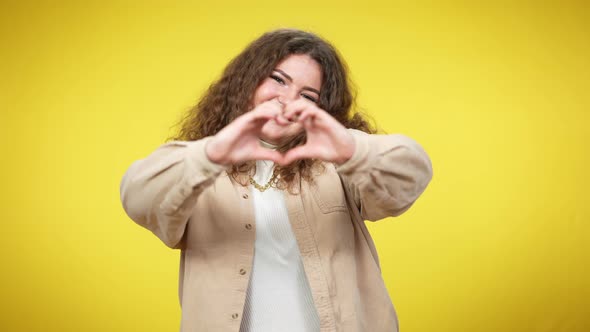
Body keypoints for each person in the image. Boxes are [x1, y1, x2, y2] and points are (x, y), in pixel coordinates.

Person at [120, 28, 433, 332]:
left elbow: (412, 173)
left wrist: (350, 148)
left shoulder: (337, 164)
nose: (288, 99)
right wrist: (211, 153)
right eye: (278, 80)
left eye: (307, 95)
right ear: (248, 81)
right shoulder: (198, 169)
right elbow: (137, 196)